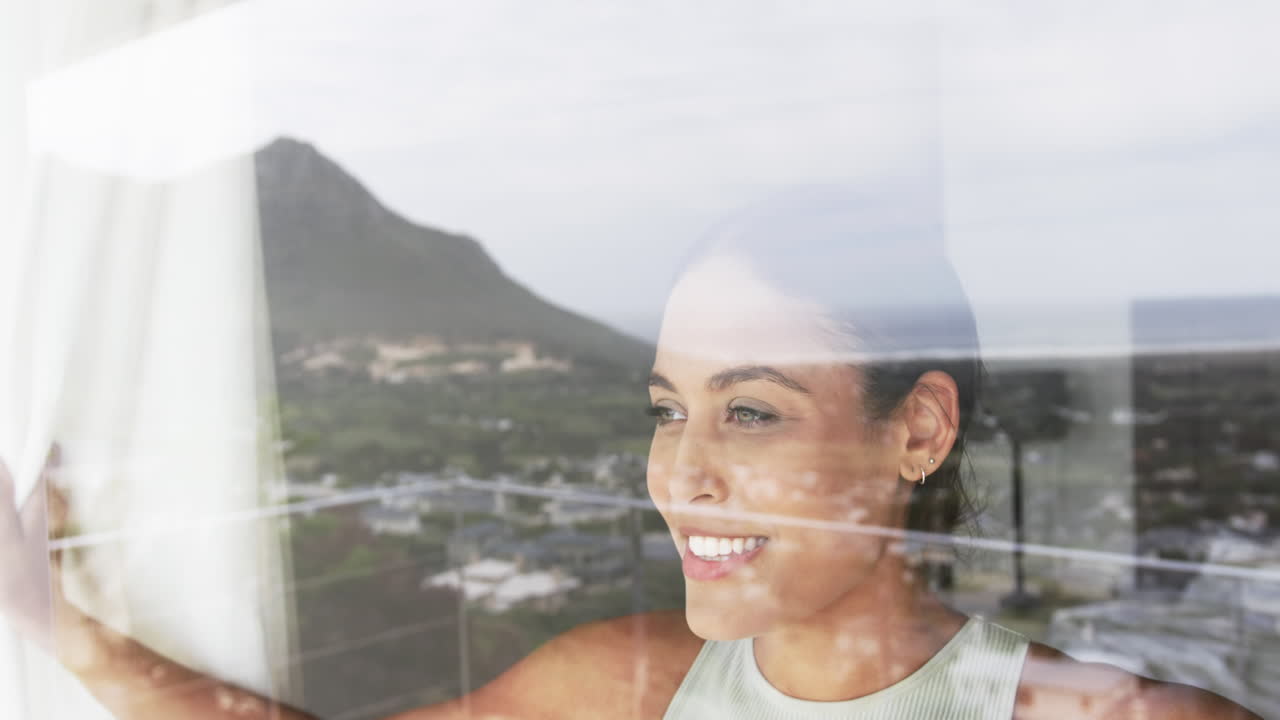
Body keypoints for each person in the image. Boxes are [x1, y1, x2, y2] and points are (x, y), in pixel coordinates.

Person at [0, 184, 1261, 719]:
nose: (681, 474)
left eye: (750, 411)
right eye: (667, 409)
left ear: (916, 431)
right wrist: (65, 631)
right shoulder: (627, 684)